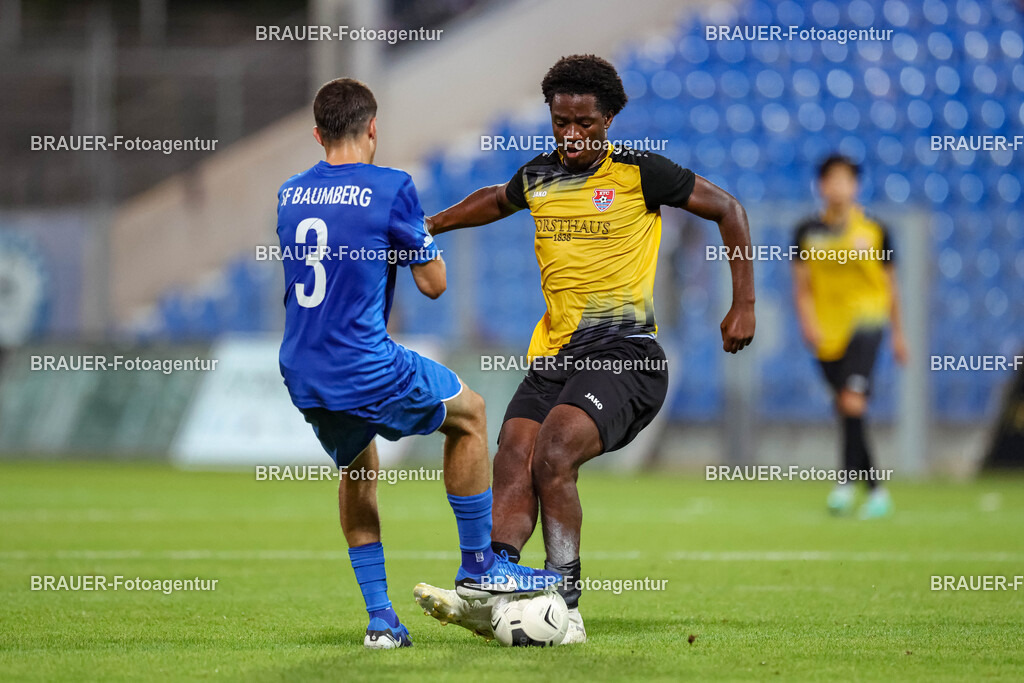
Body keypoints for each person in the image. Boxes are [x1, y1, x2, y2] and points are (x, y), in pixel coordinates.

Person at [413, 55, 756, 644]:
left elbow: (729, 210)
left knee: (554, 452)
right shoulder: (539, 176)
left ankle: (565, 606)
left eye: (584, 124)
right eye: (560, 123)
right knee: (513, 454)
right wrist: (431, 225)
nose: (571, 135)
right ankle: (490, 587)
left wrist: (743, 302)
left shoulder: (641, 173)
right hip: (554, 357)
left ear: (609, 119)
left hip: (626, 355)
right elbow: (495, 199)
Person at [276, 78, 560, 649]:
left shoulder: (290, 194)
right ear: (372, 128)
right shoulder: (391, 187)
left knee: (358, 467)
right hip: (364, 362)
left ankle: (381, 620)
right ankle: (480, 567)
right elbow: (433, 284)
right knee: (470, 413)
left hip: (303, 367)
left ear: (317, 134)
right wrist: (412, 241)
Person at [792, 154, 908, 519]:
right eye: (833, 180)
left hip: (868, 321)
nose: (839, 187)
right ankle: (871, 489)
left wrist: (899, 334)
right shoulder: (806, 231)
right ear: (821, 186)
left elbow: (891, 286)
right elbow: (802, 287)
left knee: (853, 400)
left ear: (856, 186)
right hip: (828, 330)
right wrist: (808, 322)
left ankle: (852, 484)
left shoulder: (875, 230)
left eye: (846, 180)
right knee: (846, 406)